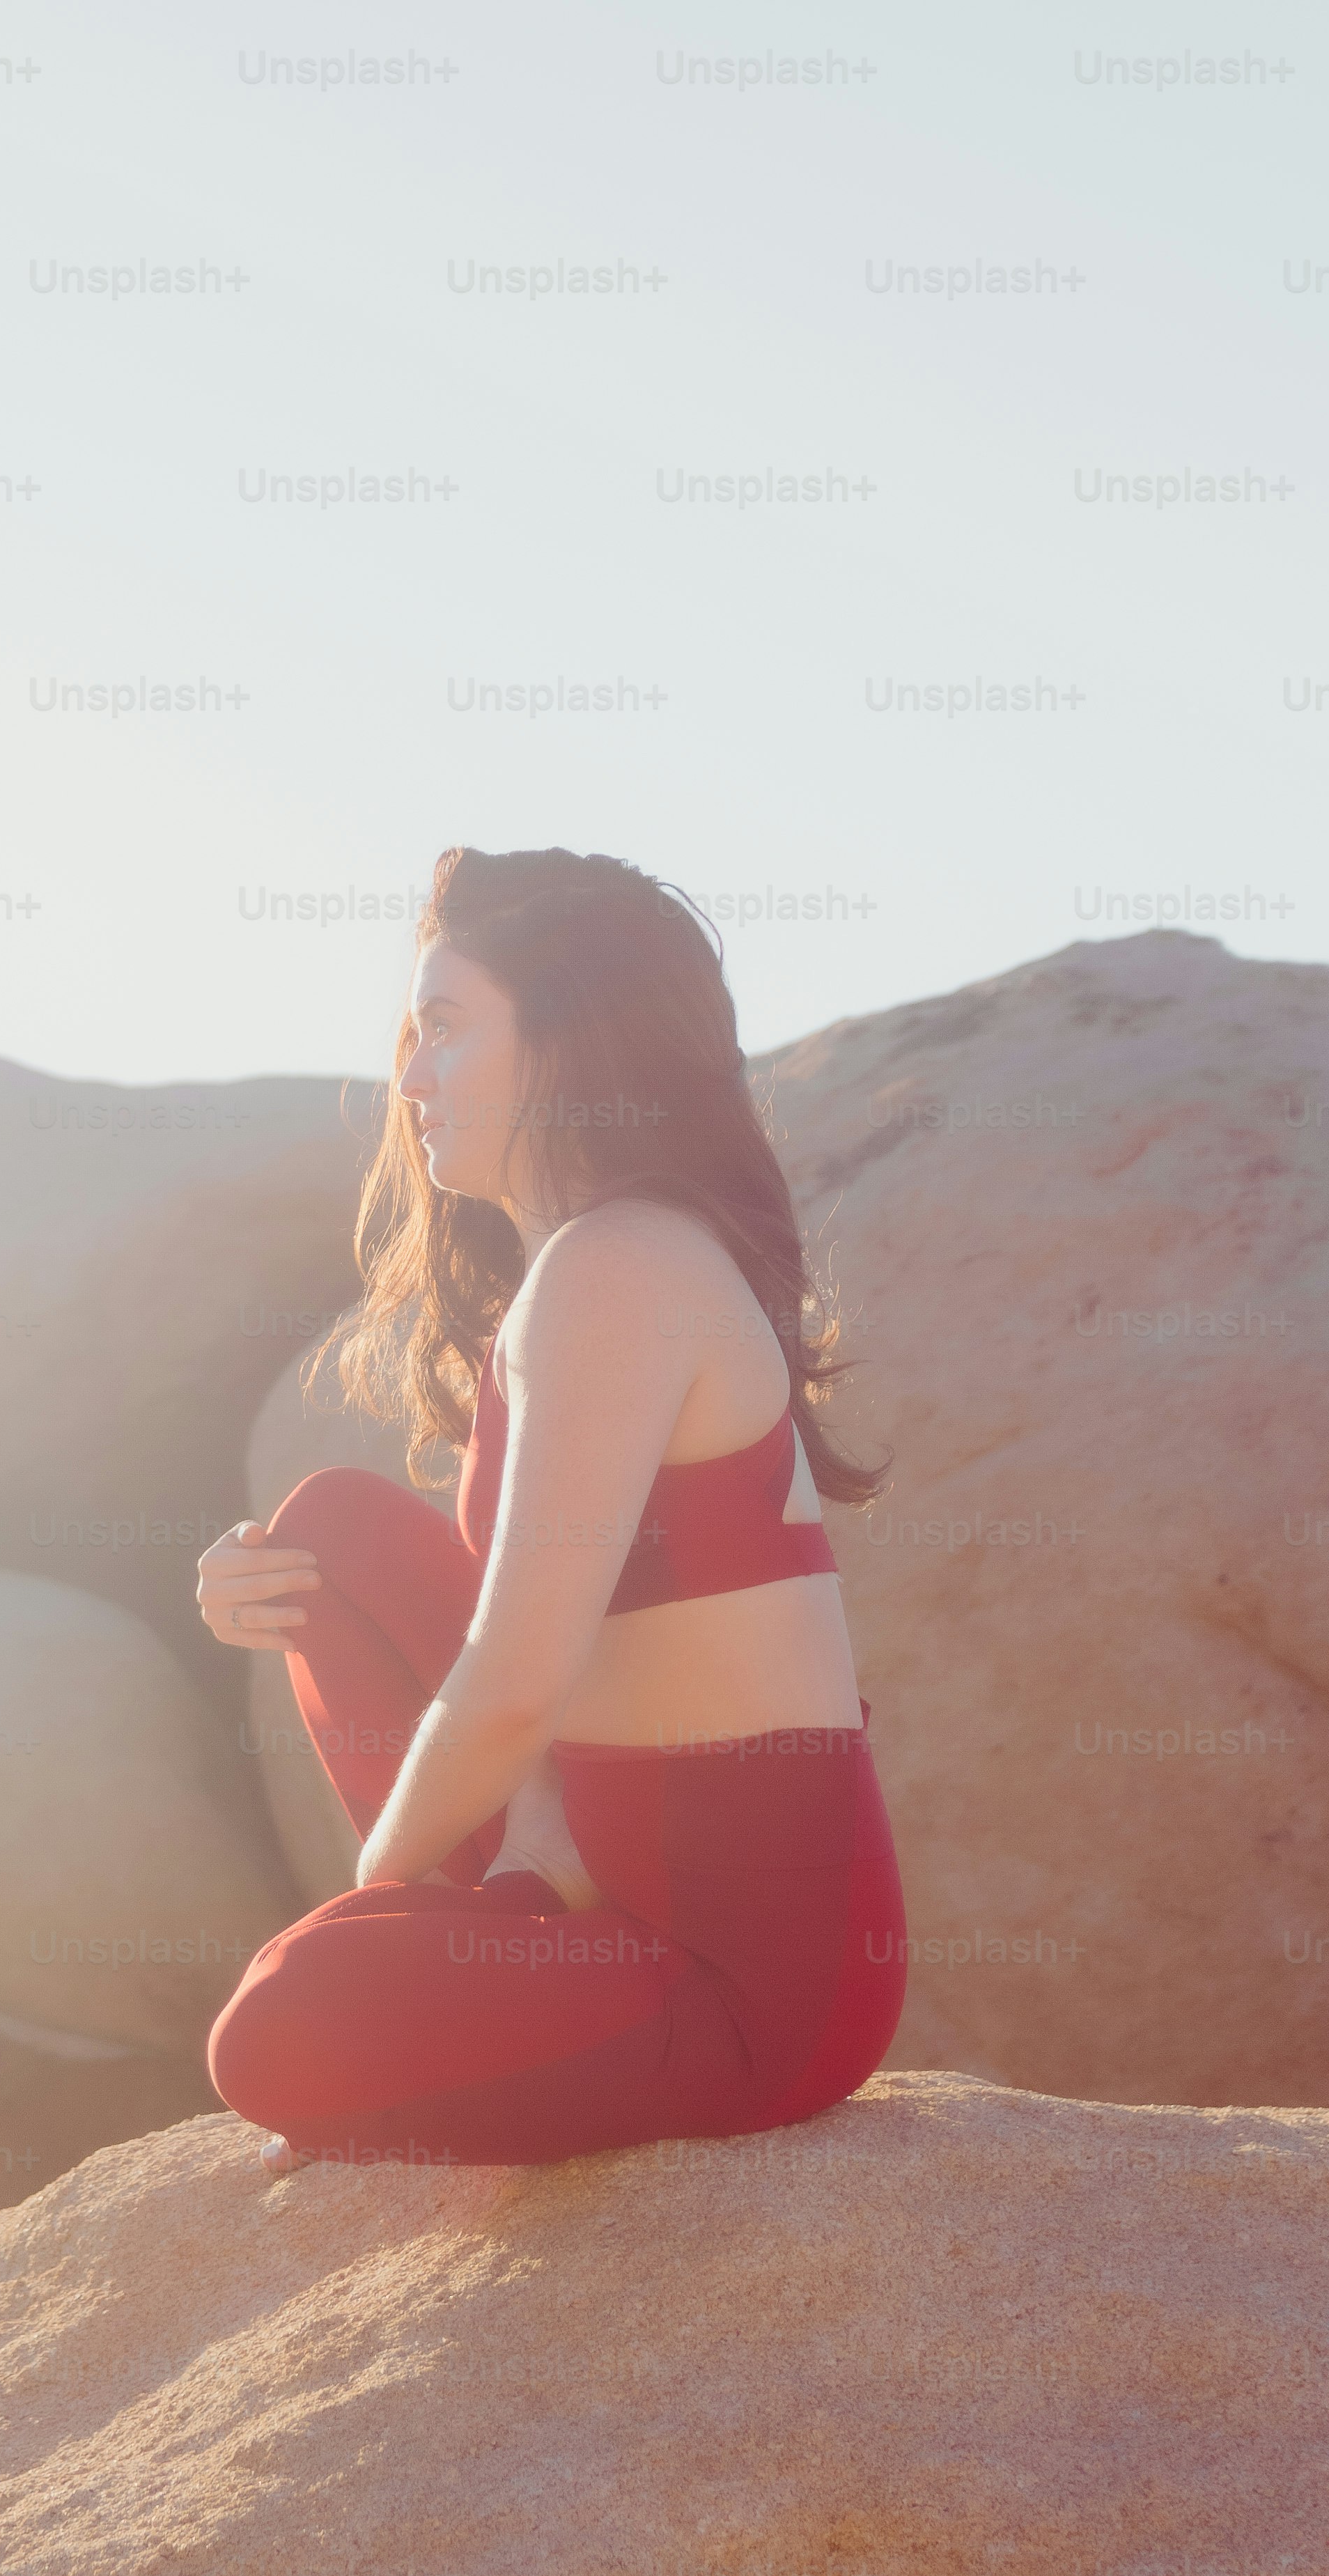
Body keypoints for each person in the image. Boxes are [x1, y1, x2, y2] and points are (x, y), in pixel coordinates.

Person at [192, 846, 909, 2173]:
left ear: (573, 1044)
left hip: (748, 1989)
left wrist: (368, 1917)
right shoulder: (583, 1270)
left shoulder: (621, 1266)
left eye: (448, 1028)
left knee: (277, 2037)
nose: (407, 1079)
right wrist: (526, 1832)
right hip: (607, 1877)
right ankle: (510, 1927)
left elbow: (512, 1681)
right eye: (413, 1032)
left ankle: (480, 1946)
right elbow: (527, 1654)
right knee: (329, 1536)